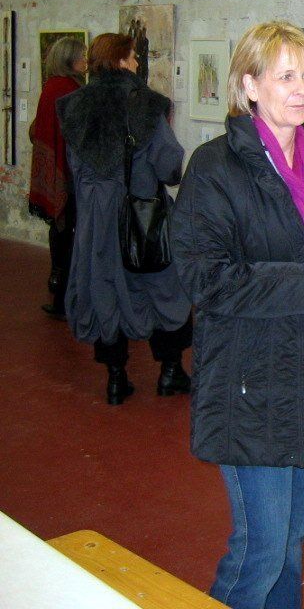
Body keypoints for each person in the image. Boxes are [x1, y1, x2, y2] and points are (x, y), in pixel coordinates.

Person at [171, 21, 304, 609]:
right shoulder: (216, 168)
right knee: (259, 548)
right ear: (249, 86)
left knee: (291, 540)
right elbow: (204, 277)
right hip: (251, 379)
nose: (301, 89)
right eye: (285, 76)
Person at [56, 33, 192, 405]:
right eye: (132, 57)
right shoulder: (145, 104)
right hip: (142, 215)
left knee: (105, 290)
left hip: (96, 222)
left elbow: (74, 168)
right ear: (119, 61)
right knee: (164, 287)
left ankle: (116, 378)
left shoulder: (74, 105)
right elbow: (168, 165)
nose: (136, 63)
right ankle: (170, 371)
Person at [29, 36, 87, 319]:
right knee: (68, 232)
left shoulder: (52, 87)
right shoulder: (67, 90)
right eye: (81, 56)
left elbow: (36, 131)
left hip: (62, 173)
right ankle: (65, 296)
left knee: (61, 229)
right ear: (69, 60)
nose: (85, 60)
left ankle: (59, 285)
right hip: (69, 175)